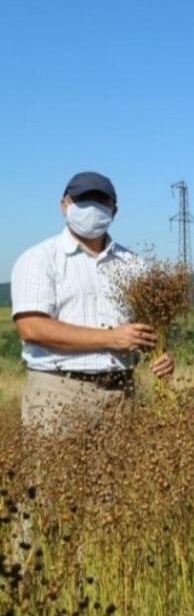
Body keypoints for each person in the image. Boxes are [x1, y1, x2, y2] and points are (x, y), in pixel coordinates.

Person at [10, 172, 175, 438]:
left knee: (121, 479)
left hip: (120, 394)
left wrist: (162, 354)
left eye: (101, 201)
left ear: (114, 211)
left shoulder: (134, 265)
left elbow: (149, 328)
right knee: (54, 479)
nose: (92, 209)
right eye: (83, 200)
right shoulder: (39, 259)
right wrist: (110, 338)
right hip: (58, 393)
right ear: (64, 204)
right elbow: (32, 328)